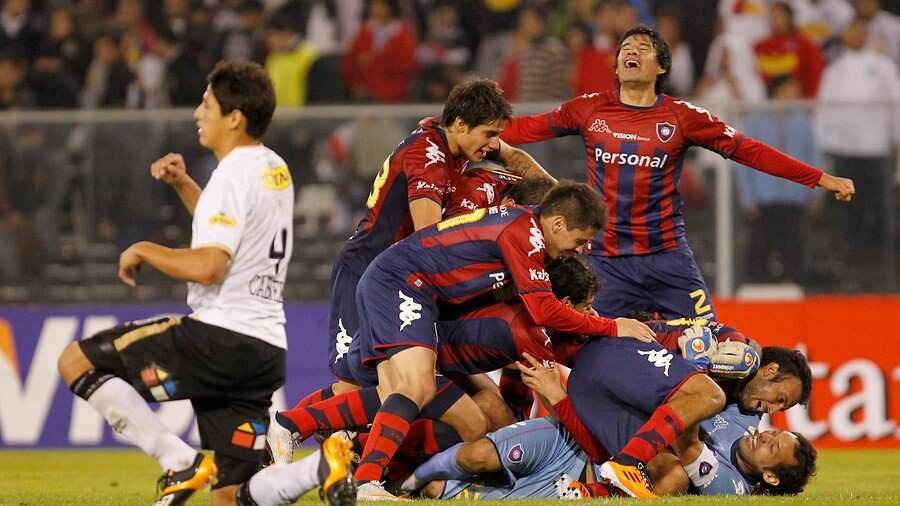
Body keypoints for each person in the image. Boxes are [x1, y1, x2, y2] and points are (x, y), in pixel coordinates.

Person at [56, 61, 303, 506]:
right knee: (229, 496)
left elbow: (210, 266)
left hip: (218, 339)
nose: (197, 113)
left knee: (75, 361)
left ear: (234, 117)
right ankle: (317, 469)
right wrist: (185, 185)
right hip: (264, 351)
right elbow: (230, 229)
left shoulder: (232, 173)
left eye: (207, 104)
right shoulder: (274, 167)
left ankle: (178, 461)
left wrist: (144, 249)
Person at [498, 24, 855, 321]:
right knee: (592, 351)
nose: (631, 52)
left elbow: (750, 150)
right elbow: (524, 127)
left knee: (711, 348)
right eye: (625, 49)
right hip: (606, 263)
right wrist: (466, 129)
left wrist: (818, 178)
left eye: (642, 48)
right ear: (617, 66)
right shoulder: (589, 109)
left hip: (668, 260)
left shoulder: (684, 117)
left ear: (661, 67)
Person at [347, 182, 654, 499]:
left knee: (433, 399)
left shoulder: (525, 232)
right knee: (415, 387)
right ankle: (362, 478)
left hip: (422, 297)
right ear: (558, 224)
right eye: (580, 240)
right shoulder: (524, 235)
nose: (580, 250)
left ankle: (351, 453)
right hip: (402, 283)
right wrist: (611, 327)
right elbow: (544, 310)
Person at [320, 79, 549, 408]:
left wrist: (505, 150)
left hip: (396, 280)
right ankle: (293, 427)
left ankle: (306, 429)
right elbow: (429, 238)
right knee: (356, 379)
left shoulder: (451, 144)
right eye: (489, 134)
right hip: (364, 269)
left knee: (391, 382)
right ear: (461, 124)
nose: (492, 144)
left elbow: (552, 195)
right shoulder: (428, 156)